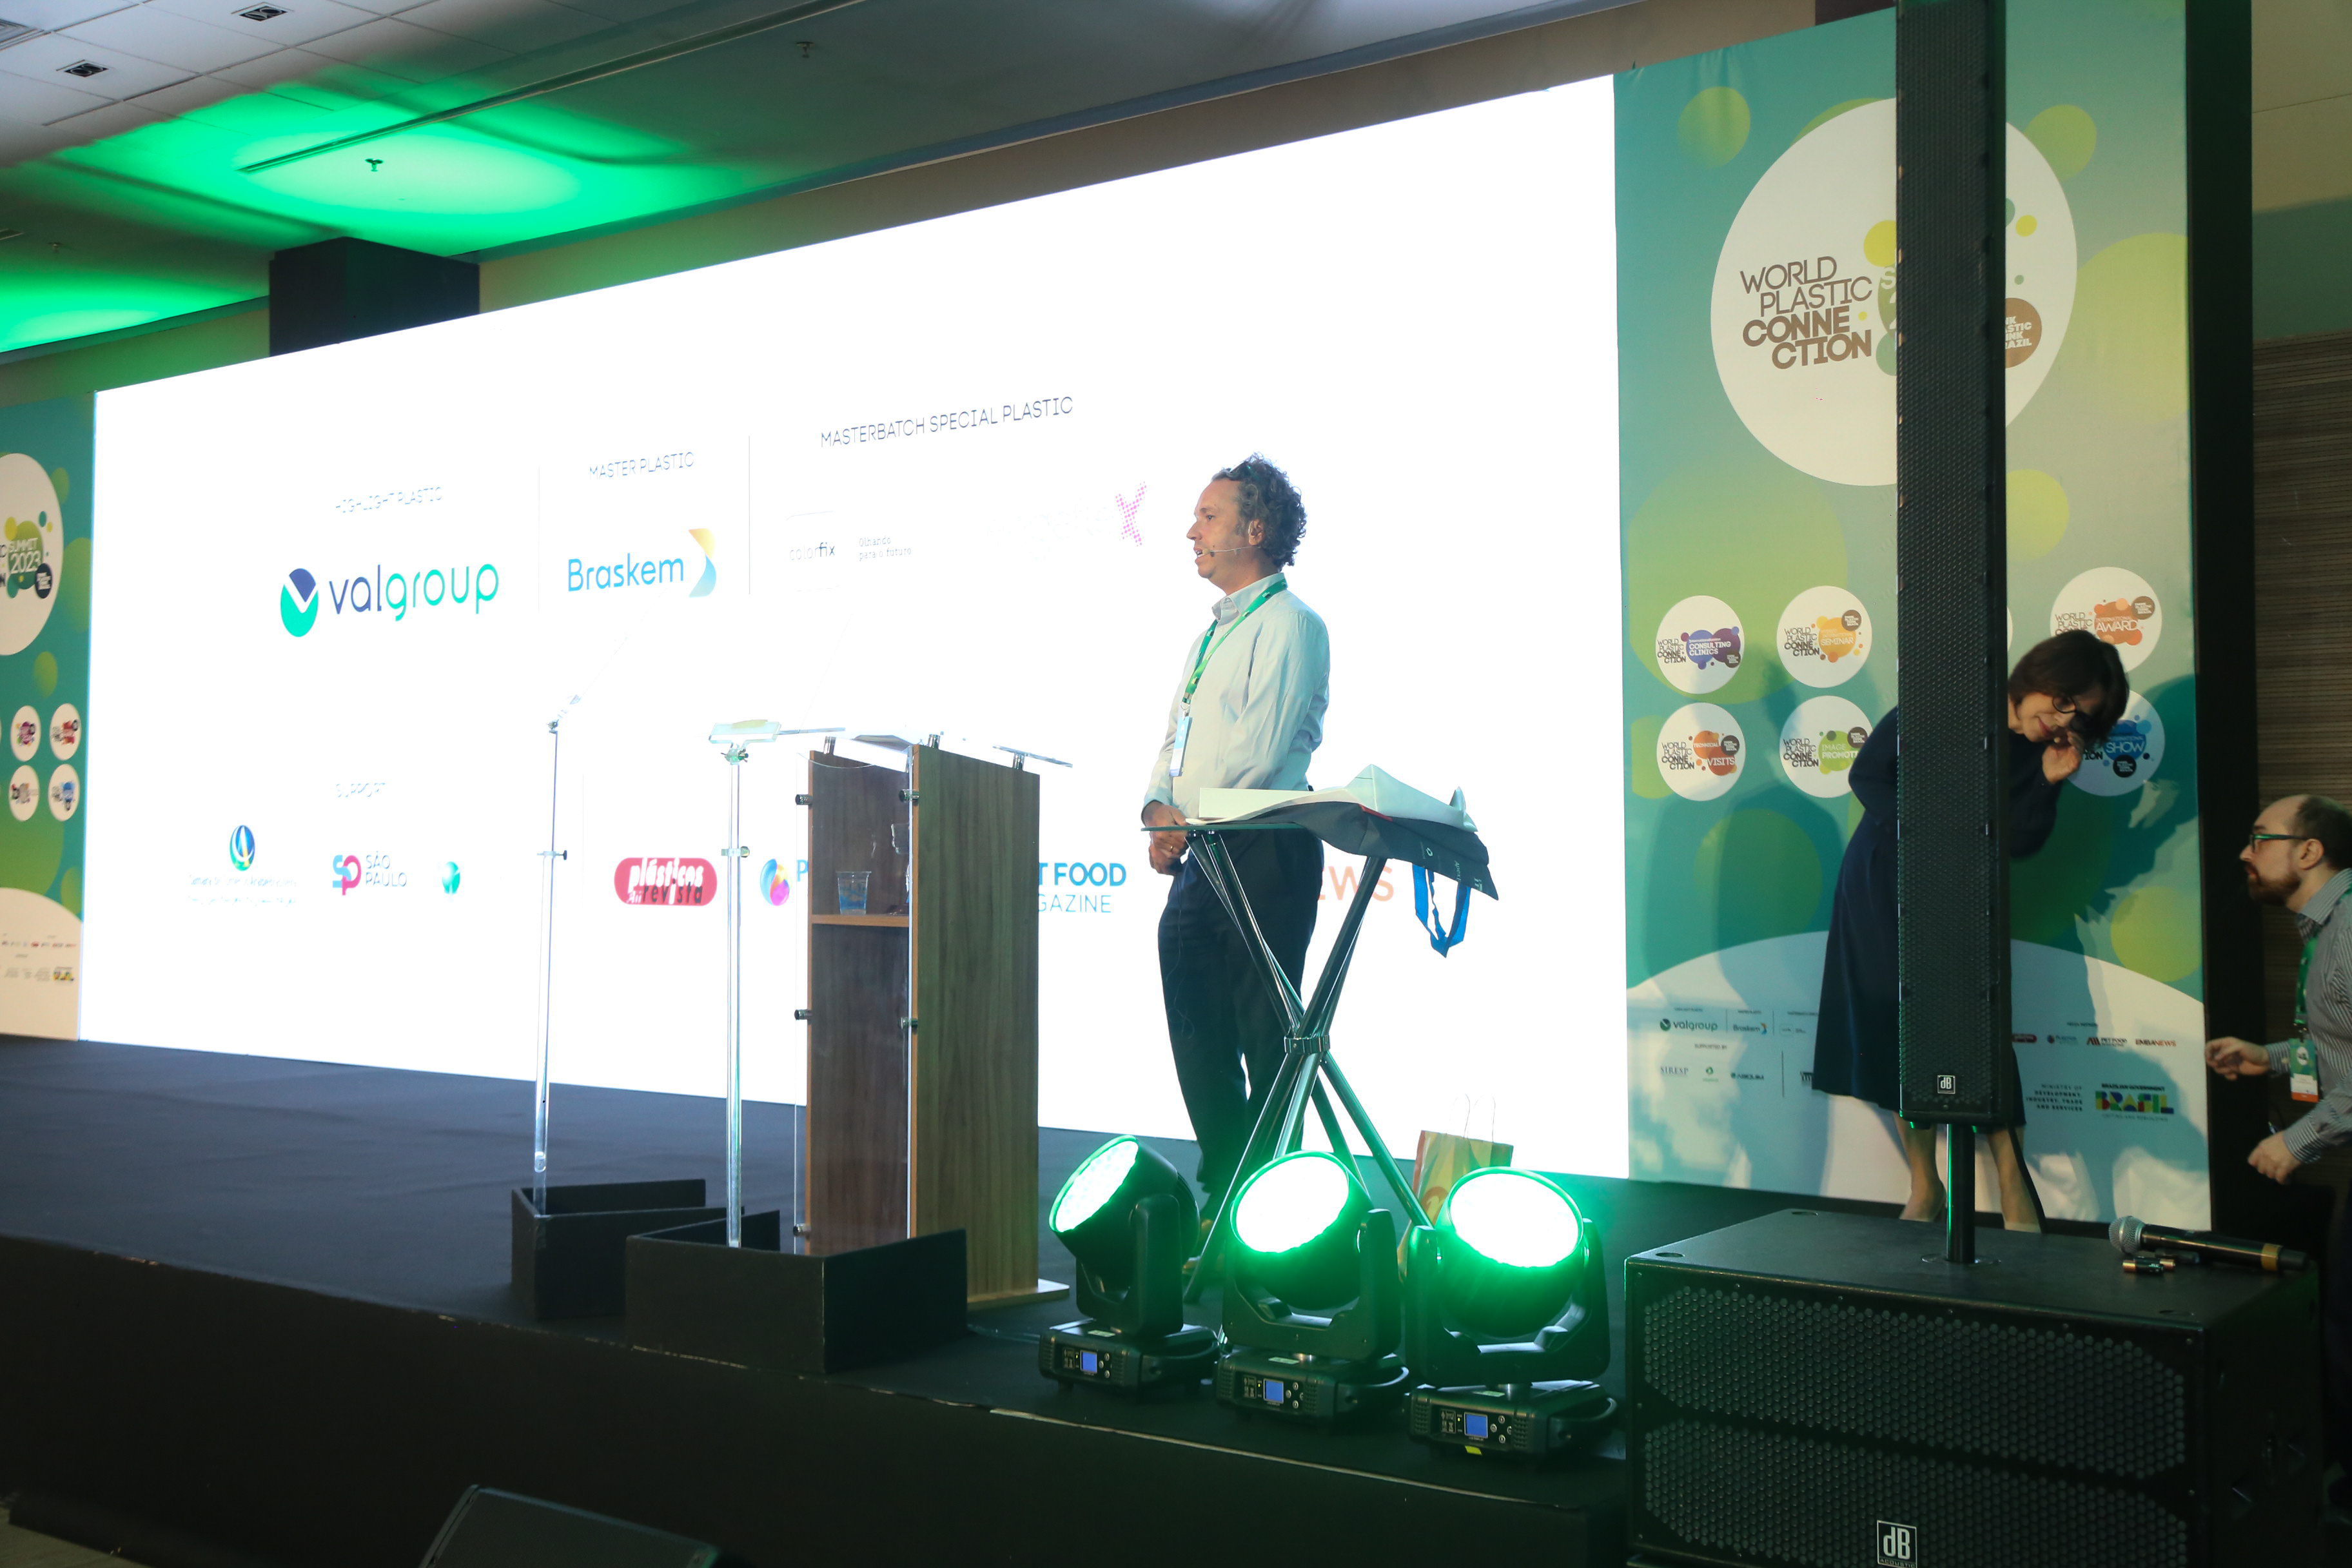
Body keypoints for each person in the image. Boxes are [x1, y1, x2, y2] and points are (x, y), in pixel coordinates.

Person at [1812, 629, 2130, 1230]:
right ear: (2039, 677)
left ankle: (2014, 1188)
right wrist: (1931, 835)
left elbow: (2023, 843)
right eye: (2064, 701)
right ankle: (1925, 1186)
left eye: (2082, 718)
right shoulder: (1948, 702)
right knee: (1897, 1027)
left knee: (1974, 1028)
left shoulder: (2045, 751)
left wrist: (2049, 781)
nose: (2064, 721)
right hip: (1884, 880)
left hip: (1961, 895)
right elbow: (1868, 776)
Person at [1142, 455, 1328, 1217]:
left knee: (1265, 1036)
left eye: (1208, 516)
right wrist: (1157, 807)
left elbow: (1261, 749)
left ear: (1255, 530)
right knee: (1198, 1028)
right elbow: (1175, 735)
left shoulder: (1293, 623)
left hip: (1264, 846)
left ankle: (1272, 1209)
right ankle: (1228, 1189)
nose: (1192, 531)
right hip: (1205, 851)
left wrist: (1184, 819)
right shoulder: (1209, 636)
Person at [2206, 794, 2352, 1498]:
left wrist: (2297, 1142)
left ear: (2309, 851)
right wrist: (2267, 1057)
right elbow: (2340, 1050)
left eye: (2259, 838)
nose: (2245, 852)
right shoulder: (2328, 926)